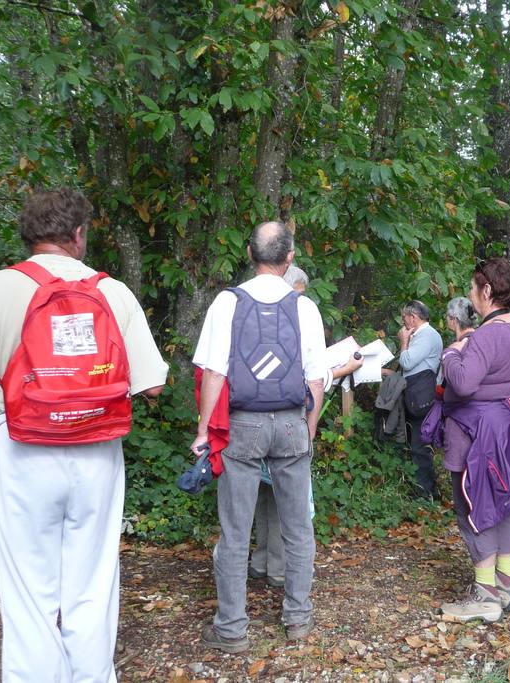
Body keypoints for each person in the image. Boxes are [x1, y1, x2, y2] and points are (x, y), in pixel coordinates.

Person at [0, 188, 168, 680]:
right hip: (97, 451)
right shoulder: (112, 291)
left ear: (28, 236)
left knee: (28, 593)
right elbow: (155, 383)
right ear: (79, 235)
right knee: (92, 585)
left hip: (22, 449)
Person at [192, 221, 327, 653]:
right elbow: (317, 380)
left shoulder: (227, 303)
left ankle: (231, 628)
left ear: (249, 254)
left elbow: (214, 372)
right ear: (289, 259)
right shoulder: (304, 307)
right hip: (290, 422)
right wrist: (308, 428)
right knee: (297, 527)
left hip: (243, 425)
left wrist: (202, 432)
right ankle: (298, 619)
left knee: (235, 531)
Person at [422, 260, 510, 622]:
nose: (471, 297)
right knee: (502, 503)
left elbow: (465, 382)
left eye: (474, 289)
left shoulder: (487, 333)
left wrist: (453, 352)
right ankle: (505, 583)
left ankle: (485, 595)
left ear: (488, 291)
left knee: (475, 505)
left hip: (477, 435)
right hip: (506, 430)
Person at [249, 264, 362, 588]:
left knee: (266, 492)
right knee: (291, 500)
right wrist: (341, 370)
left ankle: (265, 561)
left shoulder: (248, 314)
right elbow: (310, 375)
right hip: (286, 418)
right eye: (297, 293)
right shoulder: (296, 316)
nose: (299, 300)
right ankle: (285, 573)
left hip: (251, 419)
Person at [397, 300, 443, 500]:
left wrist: (403, 341)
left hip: (421, 398)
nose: (402, 322)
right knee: (416, 444)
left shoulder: (428, 336)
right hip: (415, 395)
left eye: (404, 317)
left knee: (420, 446)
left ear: (413, 318)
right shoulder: (423, 335)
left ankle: (425, 493)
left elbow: (407, 362)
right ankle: (426, 490)